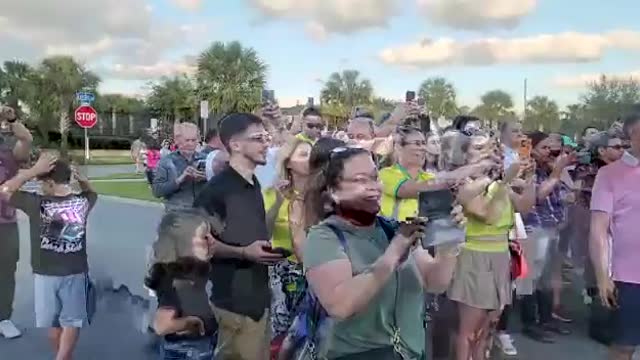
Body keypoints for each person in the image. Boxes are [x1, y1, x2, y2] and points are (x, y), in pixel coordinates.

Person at [301, 146, 465, 359]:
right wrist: (393, 253)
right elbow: (340, 306)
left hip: (410, 352)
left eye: (375, 178)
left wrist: (447, 238)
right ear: (334, 191)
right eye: (361, 180)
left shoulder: (392, 229)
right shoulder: (324, 237)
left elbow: (435, 282)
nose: (374, 187)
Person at [194, 113, 285, 360]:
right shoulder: (216, 191)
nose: (266, 143)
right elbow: (198, 245)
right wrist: (244, 253)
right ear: (235, 145)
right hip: (233, 302)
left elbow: (259, 234)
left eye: (266, 137)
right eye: (258, 138)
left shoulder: (253, 183)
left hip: (258, 298)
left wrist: (277, 202)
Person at [445, 130, 535, 360]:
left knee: (488, 328)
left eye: (489, 148)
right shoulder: (464, 184)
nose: (486, 153)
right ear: (465, 155)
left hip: (501, 258)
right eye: (478, 148)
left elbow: (524, 206)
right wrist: (503, 180)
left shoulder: (499, 183)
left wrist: (531, 178)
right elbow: (486, 214)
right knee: (469, 331)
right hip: (476, 258)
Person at [1, 154, 97, 360]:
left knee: (53, 325)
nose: (40, 188)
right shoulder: (83, 202)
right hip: (76, 271)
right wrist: (83, 181)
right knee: (71, 321)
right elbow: (92, 193)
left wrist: (32, 171)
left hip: (45, 275)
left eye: (42, 184)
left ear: (51, 183)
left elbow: (5, 189)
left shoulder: (36, 203)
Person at [590, 112, 640, 360]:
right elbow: (598, 229)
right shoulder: (609, 175)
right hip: (628, 279)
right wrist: (602, 277)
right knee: (624, 347)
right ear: (630, 136)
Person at [519, 131, 573, 343]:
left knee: (547, 278)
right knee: (530, 278)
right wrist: (556, 173)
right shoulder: (525, 169)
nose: (549, 152)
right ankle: (530, 324)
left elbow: (569, 190)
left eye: (551, 147)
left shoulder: (549, 167)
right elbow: (538, 196)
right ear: (531, 148)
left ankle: (546, 319)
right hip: (533, 228)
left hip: (552, 228)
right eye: (544, 148)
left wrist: (558, 170)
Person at [145, 210, 219, 360]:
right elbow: (162, 325)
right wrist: (190, 322)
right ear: (183, 243)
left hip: (204, 345)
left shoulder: (196, 270)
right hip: (186, 351)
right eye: (204, 237)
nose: (211, 240)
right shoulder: (174, 282)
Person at [263, 138, 312, 346]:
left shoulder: (320, 195)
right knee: (282, 330)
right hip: (283, 271)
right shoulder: (272, 193)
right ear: (288, 163)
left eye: (312, 154)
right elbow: (263, 231)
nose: (310, 160)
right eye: (303, 155)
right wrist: (279, 202)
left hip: (316, 268)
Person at [0, 106, 32, 339]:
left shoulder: (8, 148)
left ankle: (3, 318)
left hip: (6, 221)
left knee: (6, 271)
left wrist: (11, 118)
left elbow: (26, 139)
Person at [152, 123, 207, 213]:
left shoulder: (205, 159)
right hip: (177, 214)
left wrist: (206, 177)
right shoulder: (167, 162)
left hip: (202, 213)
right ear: (177, 141)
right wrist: (180, 180)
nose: (190, 144)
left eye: (193, 140)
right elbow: (157, 191)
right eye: (187, 140)